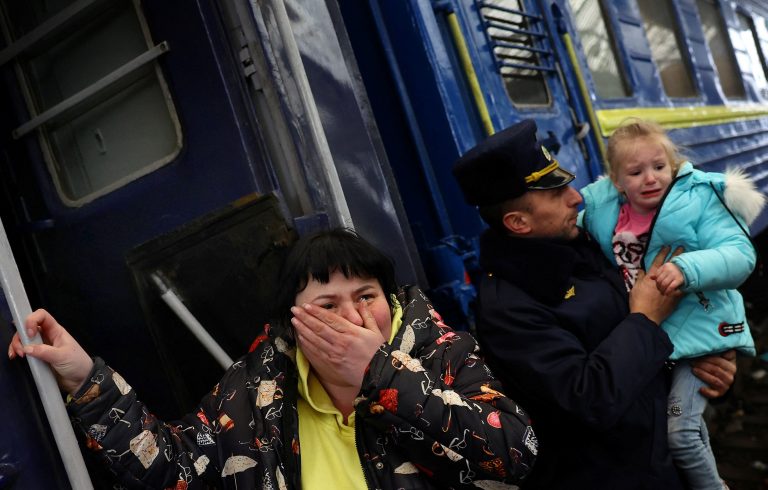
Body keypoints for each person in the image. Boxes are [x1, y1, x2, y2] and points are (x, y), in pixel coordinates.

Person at [8, 228, 537, 489]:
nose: (354, 319)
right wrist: (84, 378)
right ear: (294, 324)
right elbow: (175, 471)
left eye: (368, 297)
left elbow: (516, 452)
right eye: (327, 306)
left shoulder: (442, 354)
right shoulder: (258, 392)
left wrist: (379, 377)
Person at [451, 119, 737, 490]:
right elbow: (587, 399)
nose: (576, 197)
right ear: (519, 222)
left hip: (667, 462)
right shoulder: (509, 309)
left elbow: (656, 347)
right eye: (556, 194)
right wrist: (645, 320)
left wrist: (707, 362)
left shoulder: (584, 247)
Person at [579, 119, 764, 489]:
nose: (650, 178)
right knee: (674, 433)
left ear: (673, 166)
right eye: (636, 172)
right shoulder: (603, 211)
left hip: (699, 335)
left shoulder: (697, 199)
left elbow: (741, 254)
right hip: (653, 339)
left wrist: (686, 267)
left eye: (659, 167)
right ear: (617, 182)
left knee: (681, 435)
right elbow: (574, 229)